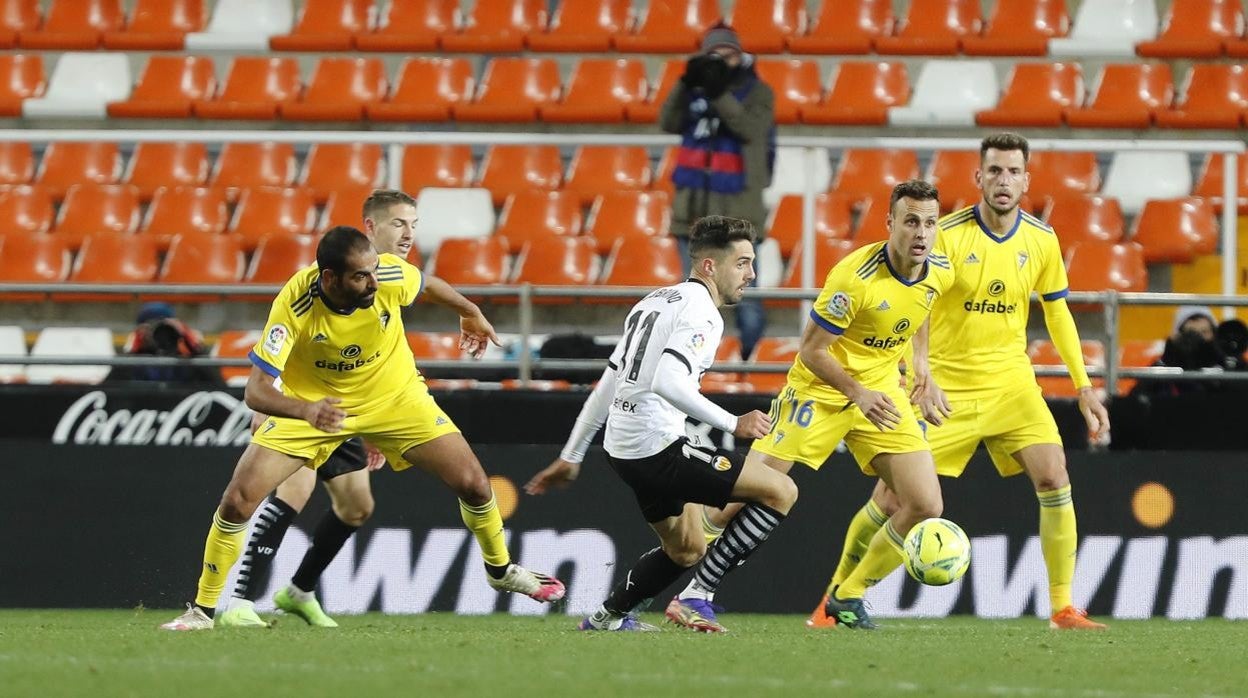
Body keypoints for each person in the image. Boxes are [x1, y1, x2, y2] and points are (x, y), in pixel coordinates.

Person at [160, 226, 565, 631]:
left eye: (374, 271)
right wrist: (305, 410)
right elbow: (255, 391)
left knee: (475, 484)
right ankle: (202, 611)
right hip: (317, 407)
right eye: (361, 276)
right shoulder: (296, 303)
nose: (374, 281)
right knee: (238, 501)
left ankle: (500, 570)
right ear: (329, 279)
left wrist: (469, 311)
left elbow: (429, 285)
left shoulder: (386, 275)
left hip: (394, 398)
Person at [807, 133, 1112, 630]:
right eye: (994, 171)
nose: (1003, 181)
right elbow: (912, 301)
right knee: (894, 500)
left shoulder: (1042, 240)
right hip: (945, 386)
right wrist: (918, 369)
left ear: (1026, 180)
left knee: (1055, 475)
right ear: (978, 177)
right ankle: (833, 599)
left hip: (1012, 382)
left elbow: (1057, 314)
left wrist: (1082, 384)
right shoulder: (944, 234)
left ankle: (1062, 607)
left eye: (1013, 171)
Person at [525, 215, 797, 633]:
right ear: (710, 266)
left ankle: (606, 618)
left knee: (687, 547)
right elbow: (666, 381)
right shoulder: (702, 312)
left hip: (624, 450)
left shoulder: (654, 301)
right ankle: (696, 597)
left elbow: (609, 384)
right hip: (658, 449)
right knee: (781, 490)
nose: (751, 274)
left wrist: (572, 454)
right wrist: (732, 422)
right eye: (742, 263)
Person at [714, 179, 954, 630]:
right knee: (736, 502)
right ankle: (672, 571)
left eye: (930, 223)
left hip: (881, 392)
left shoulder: (939, 269)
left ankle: (846, 596)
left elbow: (920, 310)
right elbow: (811, 350)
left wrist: (922, 367)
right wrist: (857, 394)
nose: (921, 233)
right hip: (820, 392)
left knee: (925, 504)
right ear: (890, 224)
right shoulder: (854, 277)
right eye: (911, 222)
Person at [218, 190, 421, 628]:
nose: (407, 234)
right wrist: (279, 402)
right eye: (398, 224)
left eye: (413, 225)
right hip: (309, 405)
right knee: (292, 489)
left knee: (357, 507)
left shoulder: (395, 280)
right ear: (370, 227)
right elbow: (287, 335)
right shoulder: (322, 280)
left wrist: (379, 426)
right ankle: (237, 600)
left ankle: (299, 590)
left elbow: (382, 359)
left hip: (351, 410)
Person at [660, 22, 775, 361]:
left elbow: (748, 128)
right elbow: (667, 121)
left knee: (746, 297)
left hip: (738, 214)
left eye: (729, 55)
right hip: (692, 210)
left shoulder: (759, 92)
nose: (722, 63)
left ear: (741, 56)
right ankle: (694, 366)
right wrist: (684, 84)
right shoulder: (694, 90)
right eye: (715, 56)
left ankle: (751, 365)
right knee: (694, 296)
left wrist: (717, 93)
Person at [106, 302, 223, 385]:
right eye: (150, 326)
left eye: (162, 325)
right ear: (139, 330)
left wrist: (189, 342)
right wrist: (135, 348)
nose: (156, 331)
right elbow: (108, 388)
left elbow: (219, 385)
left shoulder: (184, 360)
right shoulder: (134, 362)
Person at [1129, 306, 1231, 397]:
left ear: (1214, 334)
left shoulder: (1227, 365)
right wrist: (1170, 358)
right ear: (1178, 337)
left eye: (1204, 332)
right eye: (1191, 333)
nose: (1199, 339)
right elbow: (1134, 401)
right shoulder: (1163, 368)